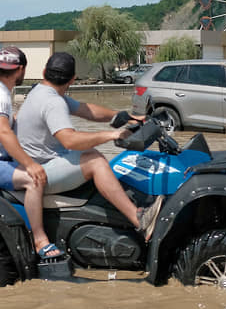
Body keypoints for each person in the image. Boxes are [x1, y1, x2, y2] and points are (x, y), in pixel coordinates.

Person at [16, 52, 163, 240]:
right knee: (95, 160)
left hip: (35, 163)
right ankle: (139, 220)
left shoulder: (41, 91)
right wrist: (112, 134)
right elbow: (69, 140)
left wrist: (121, 116)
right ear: (73, 79)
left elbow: (85, 110)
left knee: (90, 153)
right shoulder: (53, 102)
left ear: (44, 72)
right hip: (39, 172)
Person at [0, 47, 62, 259]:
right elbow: (3, 132)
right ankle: (39, 240)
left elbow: (10, 123)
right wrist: (30, 164)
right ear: (20, 70)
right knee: (34, 179)